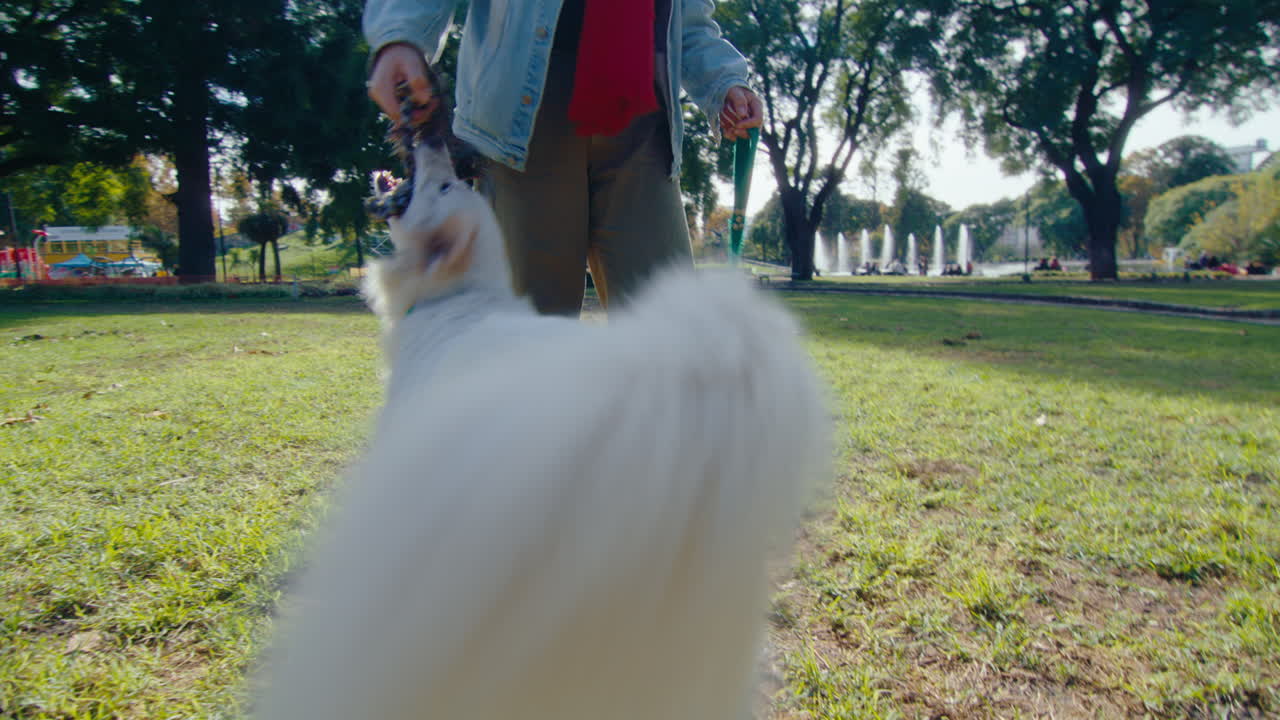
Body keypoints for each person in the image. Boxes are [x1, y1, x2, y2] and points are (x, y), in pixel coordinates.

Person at [364, 0, 764, 315]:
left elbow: (688, 17)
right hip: (521, 121)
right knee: (528, 344)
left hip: (643, 118)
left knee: (672, 339)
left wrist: (723, 82)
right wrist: (400, 35)